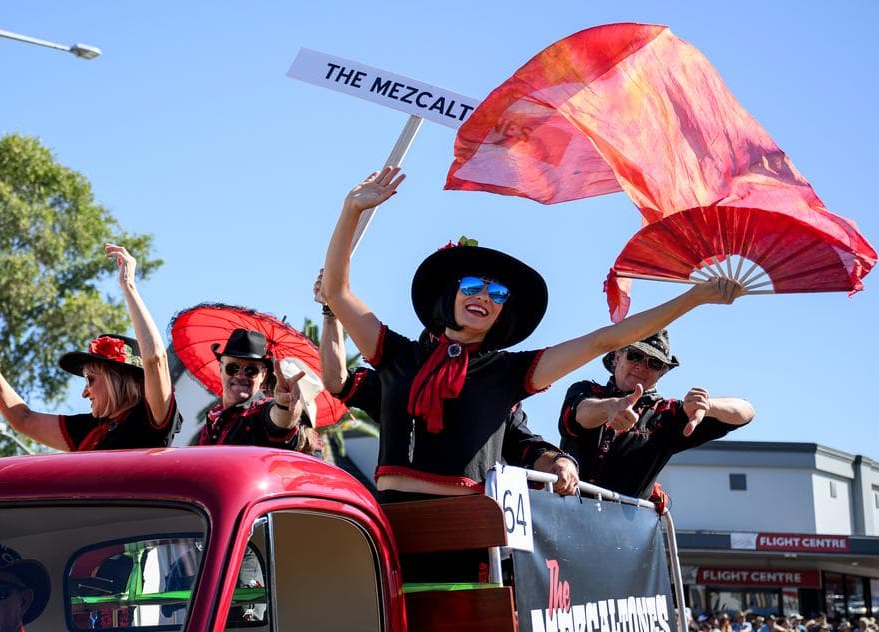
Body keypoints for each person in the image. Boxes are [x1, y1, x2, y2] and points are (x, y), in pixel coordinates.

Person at [319, 167, 743, 498]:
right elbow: (337, 292)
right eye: (471, 285)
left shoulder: (508, 372)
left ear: (503, 311)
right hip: (392, 522)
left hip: (468, 528)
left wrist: (696, 297)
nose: (483, 296)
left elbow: (604, 341)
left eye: (497, 292)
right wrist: (351, 209)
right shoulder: (397, 355)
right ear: (449, 294)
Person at [316, 270, 581, 494]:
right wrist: (332, 311)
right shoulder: (402, 375)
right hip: (398, 510)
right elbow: (338, 381)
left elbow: (526, 446)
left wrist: (559, 462)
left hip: (468, 518)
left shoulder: (495, 386)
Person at [0, 244, 181, 451]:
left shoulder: (150, 416)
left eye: (90, 379)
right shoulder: (89, 429)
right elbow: (23, 420)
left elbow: (155, 360)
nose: (84, 393)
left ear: (116, 379)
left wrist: (128, 285)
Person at [558, 329, 755, 499]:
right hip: (561, 520)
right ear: (617, 356)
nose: (642, 366)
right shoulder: (585, 391)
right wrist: (609, 407)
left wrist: (709, 405)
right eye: (635, 355)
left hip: (622, 535)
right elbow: (580, 415)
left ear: (662, 373)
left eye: (654, 363)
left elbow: (746, 412)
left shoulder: (667, 415)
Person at [195, 329, 306, 449]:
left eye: (251, 371)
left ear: (263, 375)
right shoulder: (213, 420)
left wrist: (285, 404)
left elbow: (280, 420)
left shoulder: (260, 412)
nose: (240, 376)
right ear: (221, 368)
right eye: (233, 368)